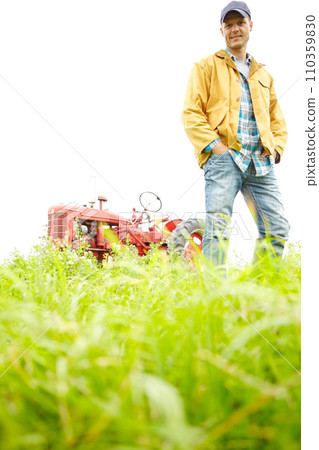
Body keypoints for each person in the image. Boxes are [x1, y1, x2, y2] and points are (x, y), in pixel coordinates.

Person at [182, 0, 290, 267]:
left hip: (260, 163)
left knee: (277, 229)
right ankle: (216, 298)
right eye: (228, 25)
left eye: (240, 23)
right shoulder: (206, 66)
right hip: (224, 159)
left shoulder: (263, 74)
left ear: (250, 26)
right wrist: (214, 146)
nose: (235, 29)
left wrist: (276, 148)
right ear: (222, 31)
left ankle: (256, 292)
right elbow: (191, 112)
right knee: (217, 230)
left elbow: (277, 118)